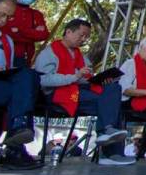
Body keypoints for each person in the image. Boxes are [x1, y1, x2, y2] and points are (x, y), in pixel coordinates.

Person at [34, 18, 134, 166]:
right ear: (68, 32)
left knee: (113, 90)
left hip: (81, 90)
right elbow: (44, 79)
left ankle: (109, 139)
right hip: (59, 94)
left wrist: (100, 80)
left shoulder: (82, 56)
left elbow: (86, 78)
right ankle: (109, 147)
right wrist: (75, 76)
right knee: (111, 106)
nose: (84, 39)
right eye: (81, 35)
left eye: (87, 36)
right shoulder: (49, 53)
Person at [0, 0, 40, 169]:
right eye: (1, 14)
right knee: (22, 92)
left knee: (27, 75)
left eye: (8, 17)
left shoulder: (6, 40)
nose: (3, 21)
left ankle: (19, 128)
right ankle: (14, 145)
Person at [1, 0, 49, 68]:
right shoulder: (5, 9)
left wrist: (18, 30)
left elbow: (43, 35)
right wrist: (32, 32)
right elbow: (5, 32)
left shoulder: (37, 14)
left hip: (25, 58)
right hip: (3, 55)